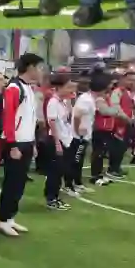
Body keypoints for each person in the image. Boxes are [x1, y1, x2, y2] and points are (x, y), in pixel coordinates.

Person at [0, 53, 43, 237]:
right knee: (12, 183)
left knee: (20, 183)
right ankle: (2, 219)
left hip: (26, 141)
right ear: (30, 67)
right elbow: (8, 118)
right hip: (15, 143)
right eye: (39, 67)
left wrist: (33, 143)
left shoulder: (28, 88)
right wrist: (13, 145)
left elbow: (29, 120)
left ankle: (9, 217)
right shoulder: (14, 88)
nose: (41, 72)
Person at [71, 73, 113, 192]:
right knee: (77, 160)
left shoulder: (90, 99)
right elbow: (77, 115)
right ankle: (72, 184)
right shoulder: (86, 100)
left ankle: (77, 184)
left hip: (84, 135)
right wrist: (77, 130)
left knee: (79, 160)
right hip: (79, 136)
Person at [43, 74, 76, 210]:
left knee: (61, 170)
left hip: (65, 138)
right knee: (55, 171)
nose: (70, 90)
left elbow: (67, 118)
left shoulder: (62, 102)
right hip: (56, 139)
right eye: (68, 87)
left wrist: (69, 102)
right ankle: (51, 198)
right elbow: (52, 122)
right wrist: (57, 143)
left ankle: (55, 196)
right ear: (59, 87)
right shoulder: (53, 102)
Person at [106, 71, 135, 179]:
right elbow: (116, 108)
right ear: (123, 79)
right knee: (117, 147)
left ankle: (117, 167)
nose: (131, 82)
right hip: (118, 124)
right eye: (129, 79)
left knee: (123, 147)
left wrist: (132, 118)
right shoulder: (117, 92)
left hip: (126, 123)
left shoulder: (128, 92)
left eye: (133, 80)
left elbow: (130, 107)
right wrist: (126, 118)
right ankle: (112, 169)